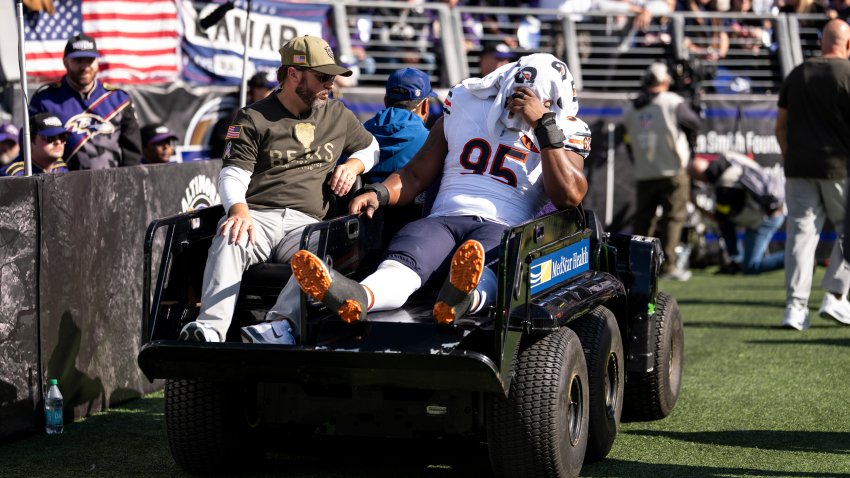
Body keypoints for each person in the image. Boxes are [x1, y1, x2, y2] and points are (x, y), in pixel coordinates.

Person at [278, 53, 590, 332]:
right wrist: (379, 194)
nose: (521, 99)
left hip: (503, 227)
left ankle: (460, 301)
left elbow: (569, 195)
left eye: (534, 95)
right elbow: (416, 174)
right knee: (406, 258)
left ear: (554, 99)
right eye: (518, 89)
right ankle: (359, 297)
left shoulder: (564, 130)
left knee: (493, 262)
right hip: (444, 218)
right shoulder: (465, 110)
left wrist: (544, 125)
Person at [178, 35, 380, 343]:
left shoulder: (337, 113)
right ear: (294, 74)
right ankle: (209, 330)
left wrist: (353, 166)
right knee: (229, 233)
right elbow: (233, 173)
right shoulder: (253, 117)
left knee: (322, 253)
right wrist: (238, 209)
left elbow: (372, 147)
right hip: (257, 216)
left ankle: (278, 327)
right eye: (323, 77)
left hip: (307, 224)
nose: (331, 84)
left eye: (332, 77)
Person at [775, 19, 850, 330]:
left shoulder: (797, 73)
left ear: (821, 43)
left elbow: (780, 126)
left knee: (801, 238)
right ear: (847, 45)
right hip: (841, 168)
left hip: (799, 167)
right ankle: (835, 296)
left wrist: (789, 156)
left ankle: (795, 308)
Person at [623, 62, 702, 281]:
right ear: (665, 82)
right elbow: (695, 122)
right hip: (672, 170)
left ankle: (636, 266)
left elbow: (628, 141)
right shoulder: (672, 101)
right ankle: (669, 267)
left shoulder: (631, 109)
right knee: (673, 219)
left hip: (644, 171)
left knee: (643, 222)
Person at [29, 33, 142, 170]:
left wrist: (125, 184)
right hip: (63, 185)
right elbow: (32, 149)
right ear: (65, 62)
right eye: (78, 61)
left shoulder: (119, 100)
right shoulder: (45, 100)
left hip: (114, 185)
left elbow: (132, 153)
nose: (85, 66)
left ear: (97, 62)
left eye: (89, 60)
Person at [687, 152, 785, 275]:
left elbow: (719, 218)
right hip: (770, 210)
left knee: (750, 267)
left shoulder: (725, 186)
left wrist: (695, 204)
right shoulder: (729, 157)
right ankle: (736, 261)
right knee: (728, 222)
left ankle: (799, 257)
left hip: (766, 219)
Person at [209, 71, 278, 159]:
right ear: (256, 89)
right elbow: (228, 138)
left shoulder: (271, 110)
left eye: (273, 89)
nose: (272, 92)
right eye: (268, 89)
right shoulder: (243, 113)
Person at [0, 113, 70, 176]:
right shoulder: (12, 176)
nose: (58, 142)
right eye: (50, 138)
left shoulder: (60, 167)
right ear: (29, 143)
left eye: (62, 137)